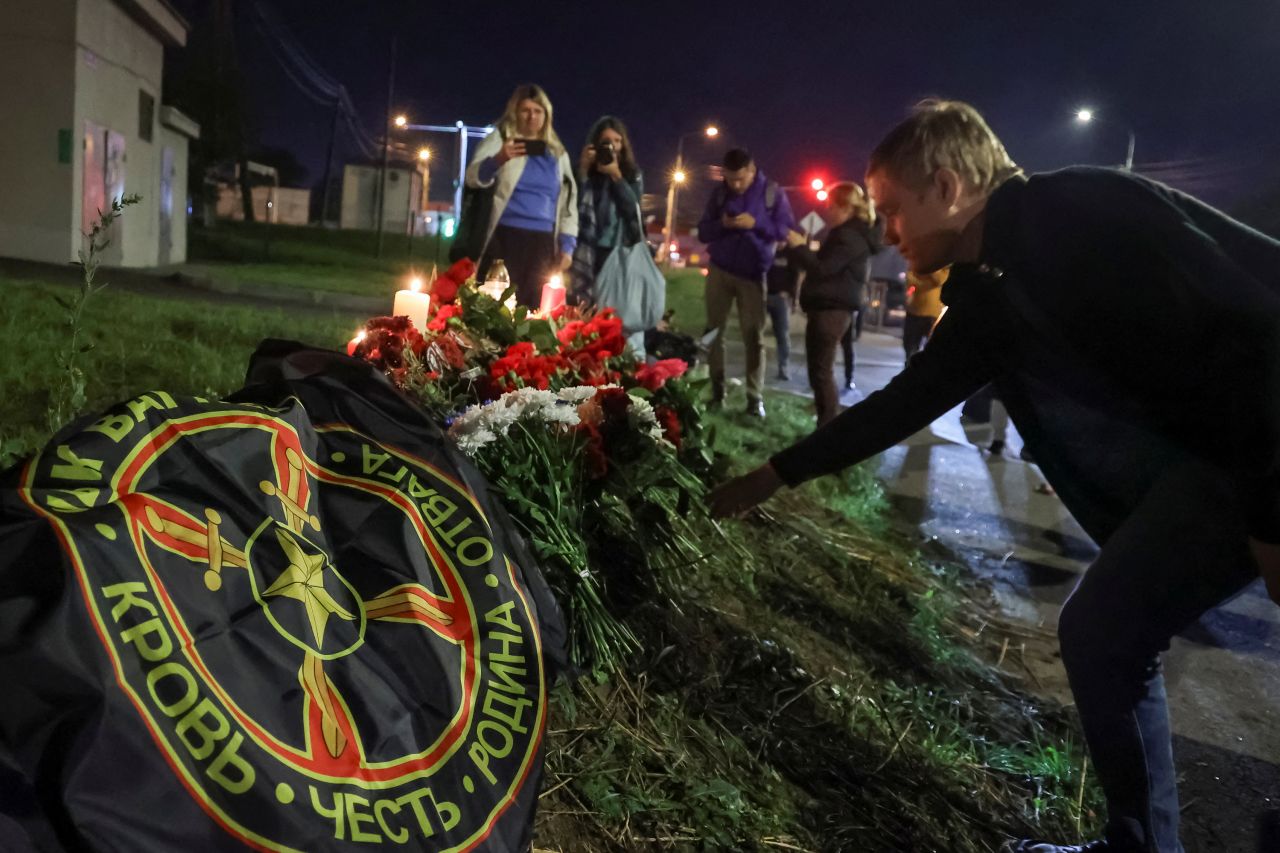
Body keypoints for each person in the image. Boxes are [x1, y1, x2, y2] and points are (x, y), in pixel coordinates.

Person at [710, 99, 1280, 853]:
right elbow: (902, 402)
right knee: (1105, 631)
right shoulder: (986, 292)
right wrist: (774, 475)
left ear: (946, 186)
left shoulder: (1083, 210)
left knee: (1106, 629)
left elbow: (1260, 337)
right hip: (1230, 460)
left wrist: (1272, 516)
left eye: (891, 211)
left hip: (1265, 444)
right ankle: (1139, 844)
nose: (886, 234)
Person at [698, 148, 796, 417]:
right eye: (730, 179)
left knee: (753, 336)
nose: (735, 185)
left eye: (740, 179)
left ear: (752, 171)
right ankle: (717, 392)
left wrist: (756, 223)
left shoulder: (772, 193)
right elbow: (703, 231)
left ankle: (755, 399)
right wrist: (723, 224)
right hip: (719, 269)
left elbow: (784, 231)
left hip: (753, 274)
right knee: (713, 332)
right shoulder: (720, 194)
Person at [465, 84, 578, 308]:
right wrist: (498, 159)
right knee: (497, 308)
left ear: (547, 115)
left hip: (543, 243)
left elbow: (568, 203)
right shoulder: (500, 140)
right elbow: (472, 178)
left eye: (538, 111)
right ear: (515, 112)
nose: (531, 117)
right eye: (525, 110)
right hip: (504, 238)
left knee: (535, 310)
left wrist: (567, 246)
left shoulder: (557, 153)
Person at [783, 182, 881, 427]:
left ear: (845, 207)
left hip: (831, 310)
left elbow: (822, 268)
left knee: (821, 373)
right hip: (830, 309)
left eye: (830, 205)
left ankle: (825, 434)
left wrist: (799, 247)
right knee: (820, 372)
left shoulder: (849, 236)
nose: (826, 210)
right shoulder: (850, 233)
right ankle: (825, 427)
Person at [569, 116, 647, 354]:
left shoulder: (631, 174)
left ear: (623, 146)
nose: (611, 146)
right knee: (584, 311)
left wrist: (616, 176)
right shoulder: (586, 172)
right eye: (606, 141)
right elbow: (571, 204)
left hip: (617, 252)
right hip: (586, 252)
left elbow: (632, 210)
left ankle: (616, 359)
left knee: (614, 313)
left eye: (617, 141)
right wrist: (583, 170)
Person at [765, 243, 798, 380]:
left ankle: (783, 367)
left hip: (780, 298)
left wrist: (791, 295)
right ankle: (755, 367)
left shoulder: (790, 254)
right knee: (753, 332)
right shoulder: (766, 250)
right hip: (763, 296)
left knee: (782, 334)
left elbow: (795, 277)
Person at [903, 267, 947, 358]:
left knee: (931, 347)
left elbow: (941, 280)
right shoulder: (920, 261)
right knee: (909, 346)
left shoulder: (942, 265)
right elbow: (909, 278)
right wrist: (928, 282)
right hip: (914, 310)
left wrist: (929, 269)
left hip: (932, 313)